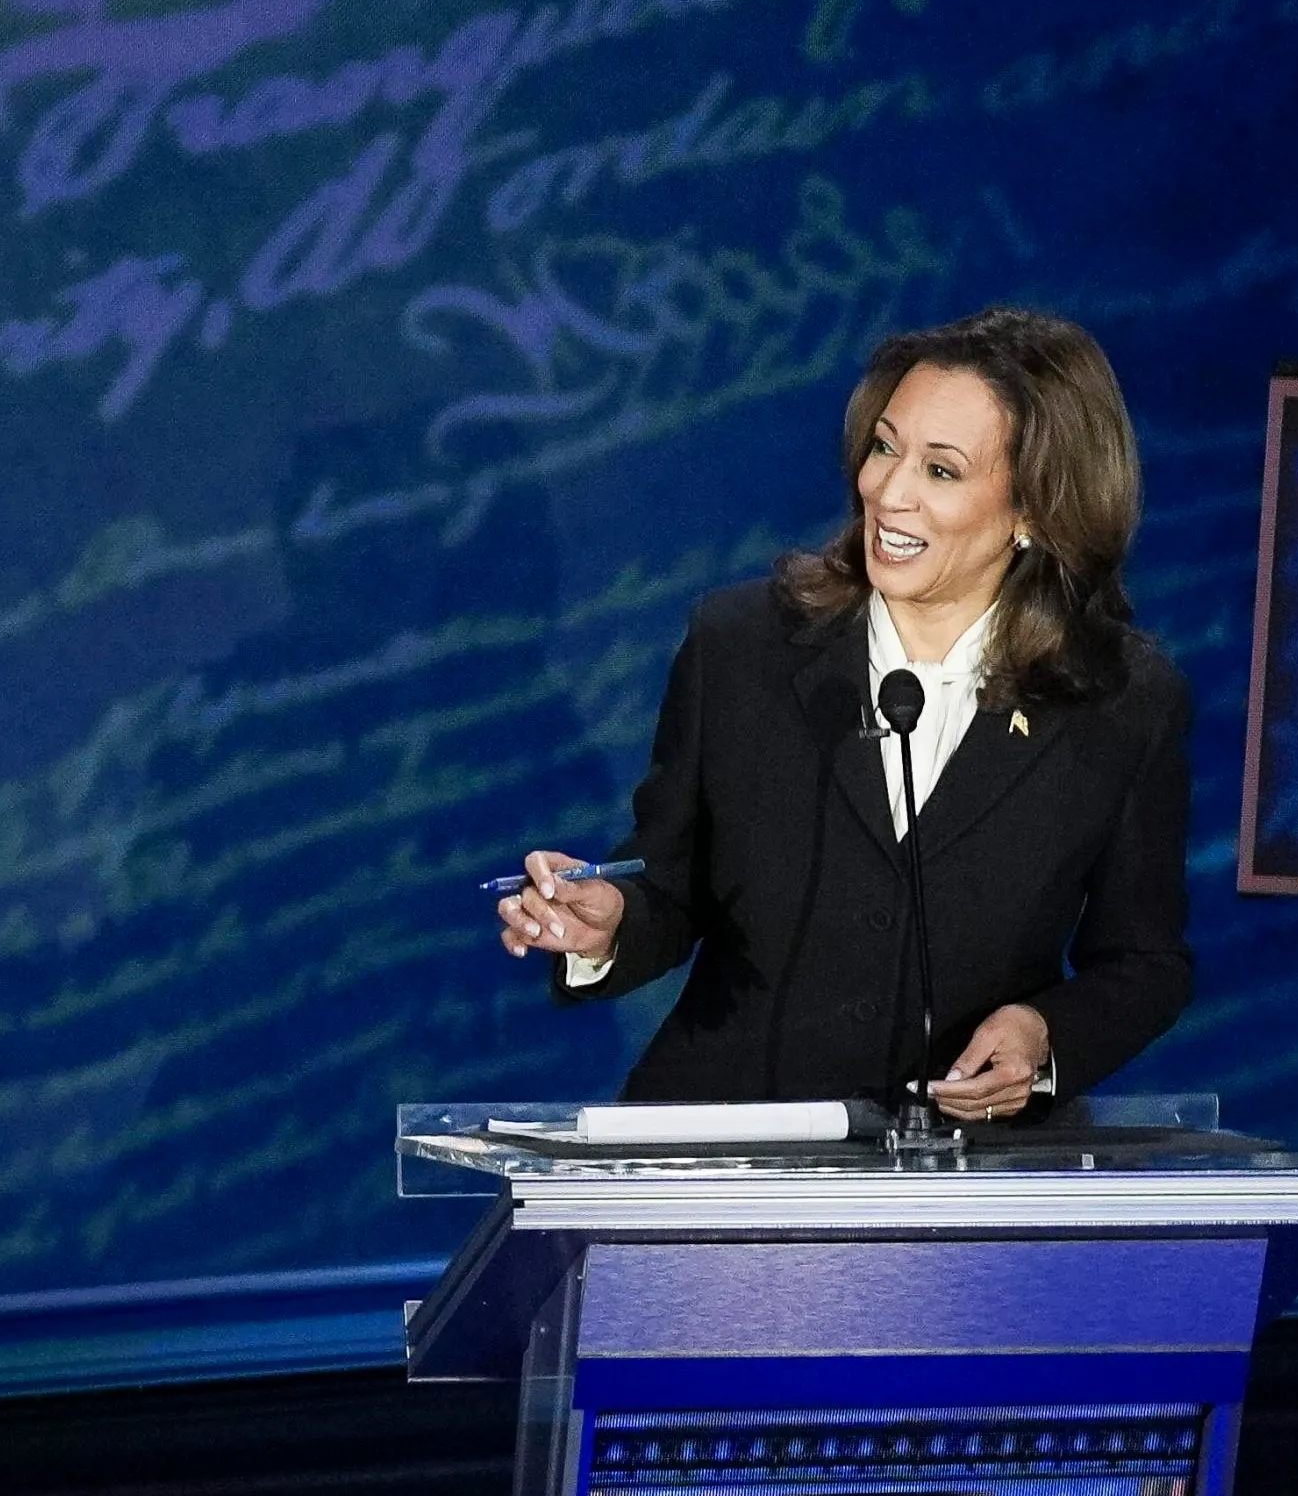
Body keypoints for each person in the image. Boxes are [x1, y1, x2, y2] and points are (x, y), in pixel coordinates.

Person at [494, 307, 1192, 1116]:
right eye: (886, 447)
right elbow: (670, 883)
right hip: (728, 1146)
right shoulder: (743, 645)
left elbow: (1145, 962)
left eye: (941, 470)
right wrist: (608, 924)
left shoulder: (1120, 701)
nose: (887, 492)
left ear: (1034, 507)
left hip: (958, 1183)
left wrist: (1043, 1038)